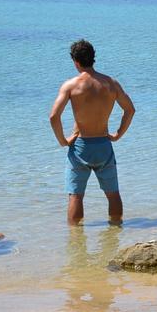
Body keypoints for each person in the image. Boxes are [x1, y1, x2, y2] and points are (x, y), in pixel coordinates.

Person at [49, 38, 135, 225]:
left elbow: (54, 116)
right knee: (113, 193)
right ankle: (115, 231)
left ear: (76, 62)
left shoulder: (71, 85)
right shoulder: (111, 83)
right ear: (93, 58)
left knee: (76, 196)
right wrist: (118, 134)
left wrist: (63, 141)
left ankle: (75, 239)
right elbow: (130, 110)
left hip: (80, 145)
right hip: (103, 144)